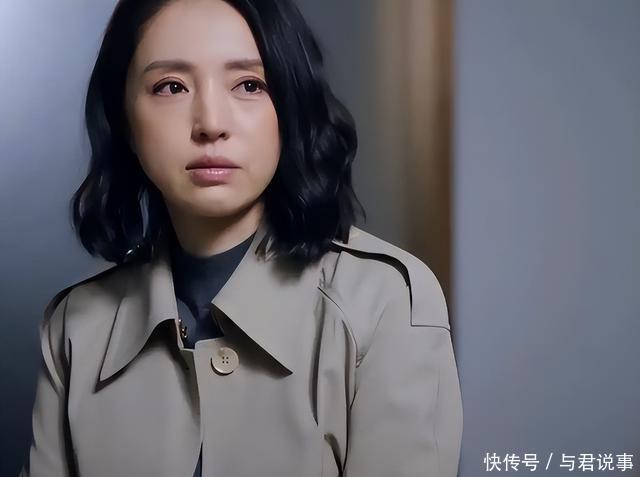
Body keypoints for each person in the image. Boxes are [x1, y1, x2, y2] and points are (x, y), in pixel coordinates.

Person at [20, 0, 463, 476]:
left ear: (290, 107)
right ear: (123, 118)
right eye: (171, 86)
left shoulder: (383, 302)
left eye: (249, 85)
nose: (211, 123)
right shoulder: (76, 326)